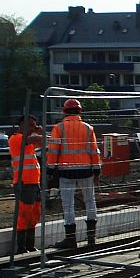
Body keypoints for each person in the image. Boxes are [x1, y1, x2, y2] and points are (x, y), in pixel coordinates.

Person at [47, 98, 101, 250]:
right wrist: (97, 169)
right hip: (86, 170)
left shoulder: (59, 128)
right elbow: (94, 150)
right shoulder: (88, 128)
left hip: (66, 171)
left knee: (68, 205)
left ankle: (70, 239)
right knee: (90, 201)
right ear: (79, 111)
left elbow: (53, 150)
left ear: (64, 111)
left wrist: (50, 169)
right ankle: (91, 238)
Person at [9, 114, 42, 254]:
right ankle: (21, 247)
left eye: (33, 126)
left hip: (34, 183)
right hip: (24, 183)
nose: (32, 128)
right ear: (21, 125)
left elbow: (39, 142)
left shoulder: (29, 142)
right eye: (30, 125)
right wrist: (40, 134)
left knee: (34, 214)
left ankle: (30, 245)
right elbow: (34, 139)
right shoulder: (16, 138)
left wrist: (40, 133)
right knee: (24, 215)